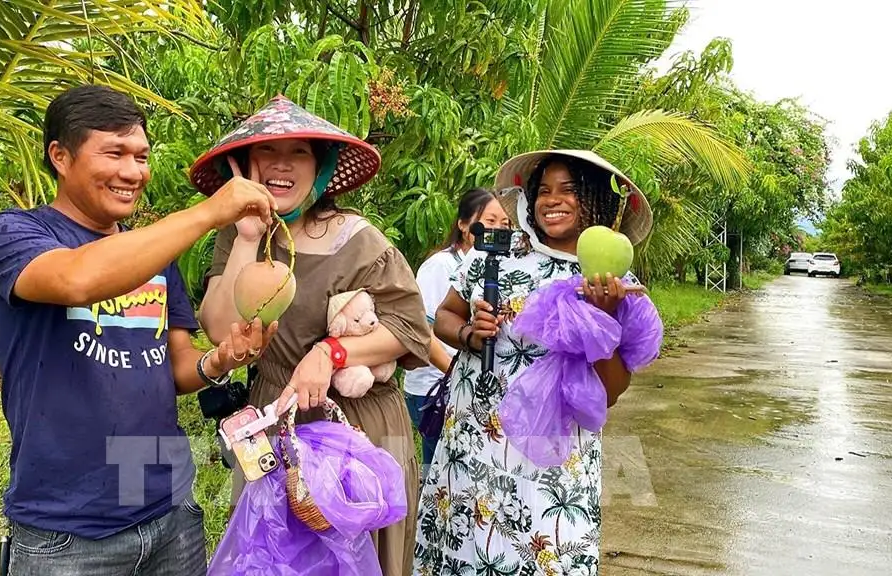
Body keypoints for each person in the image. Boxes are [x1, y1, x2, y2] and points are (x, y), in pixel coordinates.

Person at [0, 84, 279, 576]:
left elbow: (175, 365)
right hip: (65, 527)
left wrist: (219, 360)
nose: (132, 172)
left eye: (141, 156)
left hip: (167, 510)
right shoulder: (12, 234)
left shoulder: (155, 256)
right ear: (60, 156)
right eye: (114, 153)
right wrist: (207, 212)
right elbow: (77, 279)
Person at [191, 95, 431, 576]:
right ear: (247, 165)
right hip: (276, 419)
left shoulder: (358, 239)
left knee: (355, 558)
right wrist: (243, 236)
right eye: (267, 153)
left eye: (299, 153)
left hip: (357, 425)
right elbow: (221, 329)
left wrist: (332, 351)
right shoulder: (238, 237)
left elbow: (410, 330)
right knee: (274, 554)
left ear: (321, 168)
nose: (281, 165)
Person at [412, 149, 655, 575]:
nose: (551, 200)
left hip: (551, 460)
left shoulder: (613, 286)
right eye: (543, 190)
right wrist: (469, 334)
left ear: (596, 200)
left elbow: (612, 392)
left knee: (544, 554)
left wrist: (603, 319)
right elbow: (445, 317)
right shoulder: (495, 256)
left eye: (569, 190)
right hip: (472, 444)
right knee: (462, 548)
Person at [402, 188, 510, 480]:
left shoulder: (496, 262)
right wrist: (455, 370)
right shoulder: (441, 266)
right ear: (464, 224)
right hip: (433, 386)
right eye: (490, 220)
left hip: (463, 385)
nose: (498, 229)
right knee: (439, 467)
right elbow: (424, 328)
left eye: (505, 223)